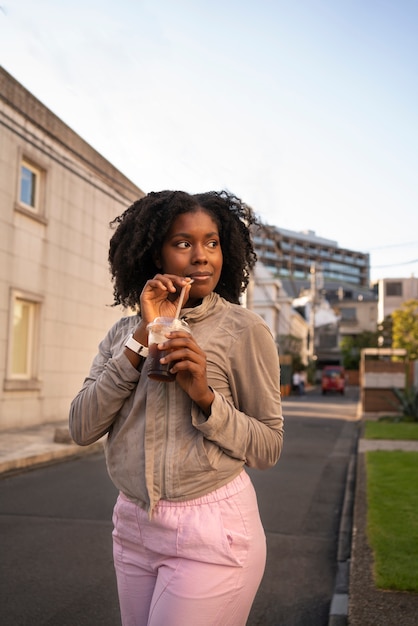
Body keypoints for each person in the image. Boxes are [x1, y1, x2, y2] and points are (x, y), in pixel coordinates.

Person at [69, 189, 284, 626]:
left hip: (213, 530)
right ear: (155, 252)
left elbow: (268, 446)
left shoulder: (244, 330)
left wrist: (205, 397)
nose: (202, 256)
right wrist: (141, 339)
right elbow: (81, 426)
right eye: (184, 243)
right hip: (133, 526)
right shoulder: (122, 334)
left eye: (213, 242)